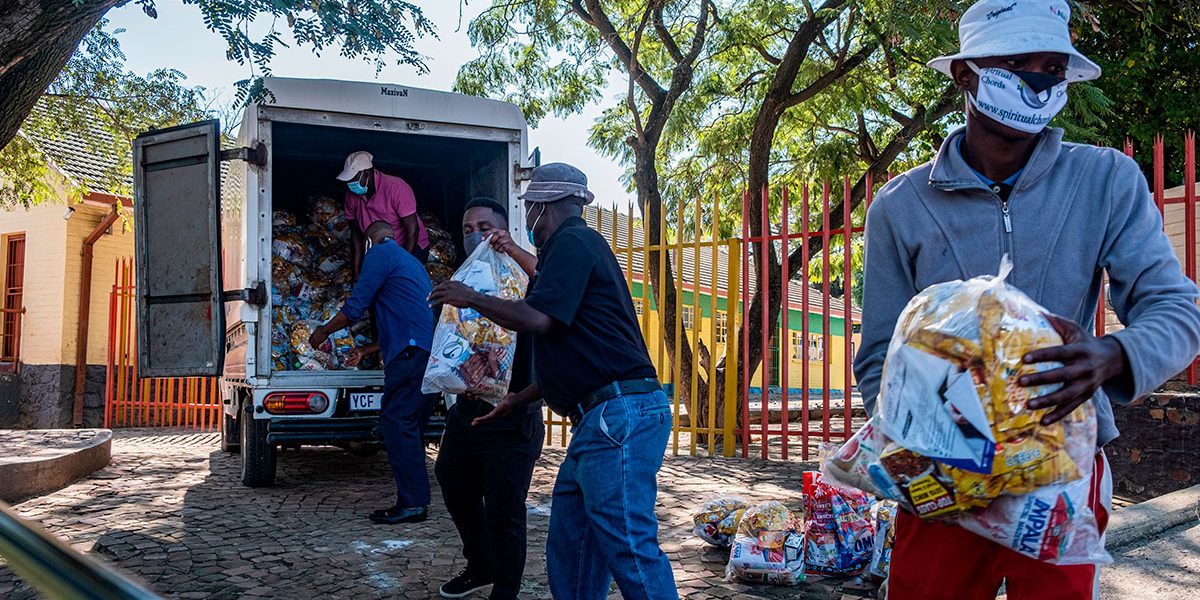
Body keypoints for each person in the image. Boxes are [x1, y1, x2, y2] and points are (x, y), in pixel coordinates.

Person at [853, 1, 1200, 599]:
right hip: (942, 476)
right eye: (1017, 63)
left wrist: (1112, 356)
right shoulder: (900, 205)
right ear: (965, 74)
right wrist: (937, 422)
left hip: (1061, 467)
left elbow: (1178, 310)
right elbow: (879, 355)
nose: (1038, 81)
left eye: (1052, 68)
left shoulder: (1106, 181)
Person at [429, 163, 678, 600]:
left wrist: (469, 296)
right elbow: (576, 357)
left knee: (628, 543)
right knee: (571, 543)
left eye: (529, 210)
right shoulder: (575, 251)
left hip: (617, 417)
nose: (528, 221)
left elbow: (537, 319)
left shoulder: (572, 242)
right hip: (599, 419)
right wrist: (516, 399)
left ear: (542, 208)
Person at [432, 197, 545, 600]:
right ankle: (481, 564)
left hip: (515, 412)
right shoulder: (468, 276)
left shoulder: (525, 273)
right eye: (467, 229)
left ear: (503, 228)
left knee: (504, 510)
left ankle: (506, 591)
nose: (474, 235)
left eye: (483, 226)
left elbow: (544, 290)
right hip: (468, 409)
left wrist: (512, 249)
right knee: (452, 480)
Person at [310, 220, 436, 525]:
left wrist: (323, 332)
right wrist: (367, 351)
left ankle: (413, 503)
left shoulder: (379, 255)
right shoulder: (412, 263)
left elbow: (355, 307)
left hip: (408, 355)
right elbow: (406, 317)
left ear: (368, 241)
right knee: (411, 427)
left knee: (396, 423)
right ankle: (416, 498)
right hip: (423, 353)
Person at [336, 151, 431, 273]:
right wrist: (357, 272)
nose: (350, 185)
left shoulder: (397, 188)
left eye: (352, 180)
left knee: (402, 282)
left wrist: (404, 264)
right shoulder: (352, 196)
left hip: (410, 246)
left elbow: (412, 230)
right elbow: (356, 234)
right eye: (348, 182)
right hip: (380, 248)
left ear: (366, 174)